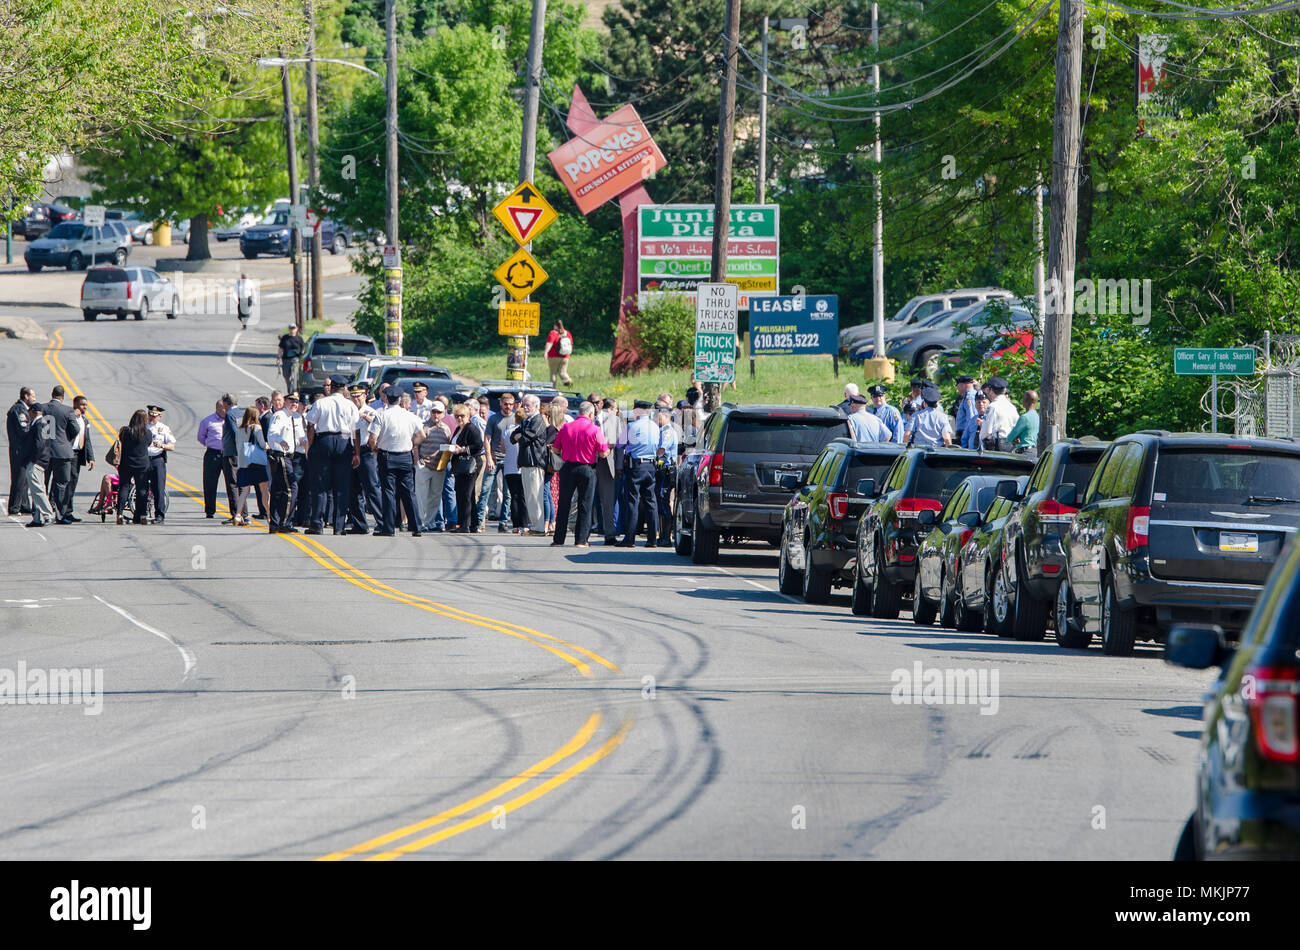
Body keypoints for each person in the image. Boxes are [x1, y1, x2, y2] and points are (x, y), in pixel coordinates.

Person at [304, 373, 360, 535]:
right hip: (343, 442)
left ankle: (317, 523)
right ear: (343, 389)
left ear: (332, 387)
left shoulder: (321, 403)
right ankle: (339, 526)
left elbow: (310, 425)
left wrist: (310, 445)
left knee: (320, 485)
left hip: (324, 441)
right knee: (341, 486)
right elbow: (355, 431)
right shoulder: (350, 406)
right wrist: (357, 452)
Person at [552, 401, 609, 547]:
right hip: (587, 468)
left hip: (568, 467)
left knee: (564, 503)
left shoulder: (566, 427)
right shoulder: (595, 429)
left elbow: (556, 449)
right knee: (585, 504)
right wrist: (608, 449)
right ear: (591, 414)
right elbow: (603, 453)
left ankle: (558, 539)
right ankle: (581, 540)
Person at [369, 385, 425, 537]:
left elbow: (372, 438)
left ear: (386, 398)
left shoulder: (381, 415)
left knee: (388, 492)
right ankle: (416, 526)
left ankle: (388, 527)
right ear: (400, 399)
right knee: (408, 492)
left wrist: (375, 449)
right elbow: (422, 435)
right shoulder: (409, 416)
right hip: (405, 455)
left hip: (387, 456)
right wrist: (411, 444)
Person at [619, 399, 660, 547]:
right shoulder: (655, 427)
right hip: (651, 466)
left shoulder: (632, 426)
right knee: (651, 501)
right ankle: (652, 539)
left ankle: (629, 539)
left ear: (637, 411)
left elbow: (620, 444)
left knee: (633, 501)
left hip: (635, 466)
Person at [346, 383, 383, 534]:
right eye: (353, 396)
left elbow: (376, 426)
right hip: (352, 451)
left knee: (372, 488)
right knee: (353, 490)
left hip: (367, 452)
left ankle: (382, 521)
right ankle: (360, 524)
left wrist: (364, 416)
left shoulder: (370, 411)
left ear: (365, 396)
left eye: (359, 396)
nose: (356, 399)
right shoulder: (349, 411)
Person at [511, 394, 549, 536]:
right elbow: (513, 436)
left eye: (528, 405)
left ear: (536, 406)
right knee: (529, 496)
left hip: (535, 462)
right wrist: (519, 436)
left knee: (535, 495)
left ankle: (539, 527)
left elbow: (526, 438)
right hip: (525, 463)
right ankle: (535, 525)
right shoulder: (526, 421)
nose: (525, 407)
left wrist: (520, 436)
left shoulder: (538, 420)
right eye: (524, 405)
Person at [447, 402, 485, 532]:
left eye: (462, 416)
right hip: (460, 465)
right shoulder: (458, 429)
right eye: (457, 416)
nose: (459, 418)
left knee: (466, 494)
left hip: (470, 464)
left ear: (468, 415)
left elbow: (478, 445)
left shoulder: (471, 428)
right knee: (464, 493)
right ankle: (473, 524)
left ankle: (465, 524)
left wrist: (462, 449)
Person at [415, 399, 452, 532]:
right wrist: (417, 461)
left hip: (439, 467)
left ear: (443, 414)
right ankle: (422, 522)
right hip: (424, 464)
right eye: (434, 412)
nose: (436, 415)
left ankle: (430, 522)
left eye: (439, 412)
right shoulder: (424, 426)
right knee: (422, 495)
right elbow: (416, 445)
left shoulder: (446, 429)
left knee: (435, 496)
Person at [42, 385, 77, 523]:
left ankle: (40, 510)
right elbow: (76, 429)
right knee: (61, 483)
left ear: (52, 394)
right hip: (62, 452)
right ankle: (60, 514)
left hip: (45, 451)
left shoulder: (43, 408)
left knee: (42, 483)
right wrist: (66, 440)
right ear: (62, 397)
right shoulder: (67, 410)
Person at [266, 393, 299, 533]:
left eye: (297, 402)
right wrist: (281, 441)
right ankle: (285, 522)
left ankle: (275, 523)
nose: (295, 404)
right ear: (285, 402)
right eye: (292, 401)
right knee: (291, 489)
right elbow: (272, 433)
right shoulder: (280, 416)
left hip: (288, 456)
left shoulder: (291, 417)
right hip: (281, 456)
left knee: (278, 491)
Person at [233, 406, 270, 525]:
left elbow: (238, 445)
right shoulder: (256, 427)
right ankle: (269, 515)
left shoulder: (239, 429)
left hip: (244, 463)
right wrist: (268, 446)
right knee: (264, 490)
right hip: (256, 462)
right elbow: (262, 445)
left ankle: (238, 514)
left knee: (244, 491)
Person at [114, 409, 151, 525]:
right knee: (142, 489)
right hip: (142, 464)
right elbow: (149, 443)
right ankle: (141, 515)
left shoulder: (125, 431)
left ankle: (119, 513)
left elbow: (121, 442)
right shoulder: (147, 433)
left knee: (124, 487)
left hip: (126, 463)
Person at [487, 391, 516, 530]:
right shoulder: (494, 419)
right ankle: (482, 520)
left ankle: (503, 522)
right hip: (495, 458)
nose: (508, 407)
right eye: (505, 404)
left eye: (511, 404)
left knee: (507, 493)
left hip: (510, 460)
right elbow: (487, 439)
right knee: (488, 489)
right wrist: (488, 457)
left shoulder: (516, 418)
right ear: (500, 403)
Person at [25, 402, 56, 527]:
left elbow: (39, 444)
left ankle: (48, 514)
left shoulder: (38, 424)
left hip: (36, 462)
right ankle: (37, 518)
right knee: (36, 489)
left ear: (33, 411)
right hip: (43, 461)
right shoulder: (45, 423)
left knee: (37, 490)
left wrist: (33, 459)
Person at [596, 398, 621, 544]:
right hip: (588, 462)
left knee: (607, 500)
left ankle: (609, 534)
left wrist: (619, 466)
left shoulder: (615, 421)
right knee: (586, 500)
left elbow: (620, 445)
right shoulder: (590, 419)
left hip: (608, 464)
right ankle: (581, 536)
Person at [197, 397, 227, 518]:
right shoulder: (208, 421)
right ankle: (210, 510)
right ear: (217, 408)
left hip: (228, 454)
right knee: (210, 483)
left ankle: (235, 510)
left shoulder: (231, 420)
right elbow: (201, 437)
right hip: (213, 454)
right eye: (222, 408)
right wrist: (212, 444)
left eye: (226, 408)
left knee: (232, 483)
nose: (225, 410)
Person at [7, 387, 36, 516]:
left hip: (23, 449)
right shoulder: (19, 409)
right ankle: (14, 506)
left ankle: (24, 505)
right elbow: (24, 429)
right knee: (19, 478)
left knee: (24, 478)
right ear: (26, 396)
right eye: (33, 396)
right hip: (19, 449)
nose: (34, 398)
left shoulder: (23, 409)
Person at [145, 405, 174, 524]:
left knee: (158, 488)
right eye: (150, 415)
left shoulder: (164, 428)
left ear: (159, 417)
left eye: (154, 416)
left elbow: (172, 446)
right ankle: (141, 513)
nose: (152, 418)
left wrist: (162, 446)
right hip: (144, 459)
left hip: (157, 459)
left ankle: (160, 515)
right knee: (142, 488)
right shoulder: (142, 427)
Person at [66, 395, 94, 522]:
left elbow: (87, 440)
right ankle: (61, 509)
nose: (85, 407)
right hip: (68, 453)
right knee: (65, 482)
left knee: (73, 483)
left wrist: (91, 458)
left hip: (78, 454)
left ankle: (67, 511)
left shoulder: (84, 420)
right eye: (83, 405)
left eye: (86, 405)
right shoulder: (69, 417)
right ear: (75, 405)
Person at [543, 398, 568, 535]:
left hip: (552, 464)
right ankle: (553, 521)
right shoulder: (564, 428)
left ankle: (551, 522)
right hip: (560, 465)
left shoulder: (553, 430)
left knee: (549, 493)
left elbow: (549, 446)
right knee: (553, 494)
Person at [655, 408, 680, 545]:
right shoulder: (662, 431)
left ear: (666, 416)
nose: (656, 419)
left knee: (663, 500)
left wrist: (652, 456)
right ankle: (663, 535)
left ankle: (666, 536)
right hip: (662, 470)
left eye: (658, 416)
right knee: (660, 501)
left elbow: (661, 450)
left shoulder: (667, 432)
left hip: (666, 470)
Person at [502, 405, 528, 533]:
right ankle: (525, 524)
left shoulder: (507, 431)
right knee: (523, 496)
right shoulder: (525, 431)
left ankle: (515, 525)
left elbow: (502, 449)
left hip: (509, 467)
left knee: (514, 496)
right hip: (522, 467)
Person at [472, 396, 495, 532]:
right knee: (482, 490)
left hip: (488, 457)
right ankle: (479, 521)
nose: (481, 415)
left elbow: (484, 441)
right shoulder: (479, 422)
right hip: (483, 457)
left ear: (489, 412)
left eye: (484, 413)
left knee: (483, 489)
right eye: (479, 413)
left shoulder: (487, 422)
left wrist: (489, 456)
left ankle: (481, 520)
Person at [979, 376, 1020, 452]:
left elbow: (987, 431)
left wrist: (981, 437)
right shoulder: (1012, 407)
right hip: (1011, 447)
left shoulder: (992, 407)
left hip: (996, 447)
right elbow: (1017, 427)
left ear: (991, 390)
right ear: (1004, 390)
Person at [219, 393, 241, 523]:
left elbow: (234, 432)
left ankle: (235, 513)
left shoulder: (230, 415)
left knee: (232, 484)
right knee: (241, 484)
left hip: (231, 453)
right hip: (240, 453)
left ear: (227, 404)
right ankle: (242, 512)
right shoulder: (241, 413)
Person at [1008, 389, 1040, 458]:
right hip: (1035, 451)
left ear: (1025, 401)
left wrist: (1014, 438)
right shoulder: (1038, 417)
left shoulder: (1024, 417)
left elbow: (1010, 437)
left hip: (1025, 452)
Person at [545, 319, 574, 386]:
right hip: (565, 356)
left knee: (553, 373)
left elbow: (550, 343)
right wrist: (569, 353)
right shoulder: (567, 333)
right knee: (563, 372)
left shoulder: (553, 333)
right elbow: (571, 344)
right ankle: (570, 384)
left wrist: (546, 352)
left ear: (555, 326)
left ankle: (553, 389)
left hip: (553, 356)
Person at [277, 324, 304, 390]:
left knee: (296, 373)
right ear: (289, 329)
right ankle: (289, 387)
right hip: (286, 359)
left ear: (296, 329)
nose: (292, 330)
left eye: (293, 328)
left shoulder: (299, 339)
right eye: (291, 328)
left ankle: (295, 387)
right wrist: (278, 358)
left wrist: (302, 358)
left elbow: (303, 349)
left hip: (296, 359)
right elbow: (281, 348)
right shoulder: (285, 338)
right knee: (286, 375)